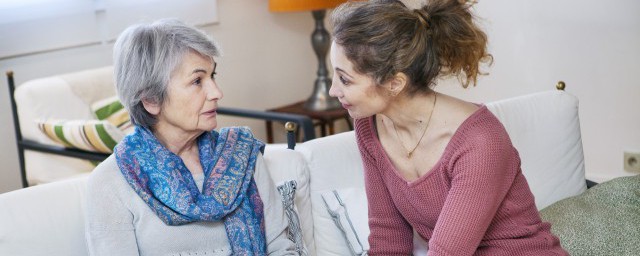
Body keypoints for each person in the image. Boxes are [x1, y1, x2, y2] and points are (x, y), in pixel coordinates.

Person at [328, 0, 568, 255]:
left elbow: (447, 252)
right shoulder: (369, 127)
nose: (333, 90)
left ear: (395, 84)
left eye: (345, 79)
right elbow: (388, 238)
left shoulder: (480, 140)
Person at [84, 19, 297, 255]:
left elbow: (282, 248)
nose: (217, 92)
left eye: (212, 76)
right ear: (151, 100)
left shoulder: (241, 155)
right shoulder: (110, 184)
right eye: (197, 81)